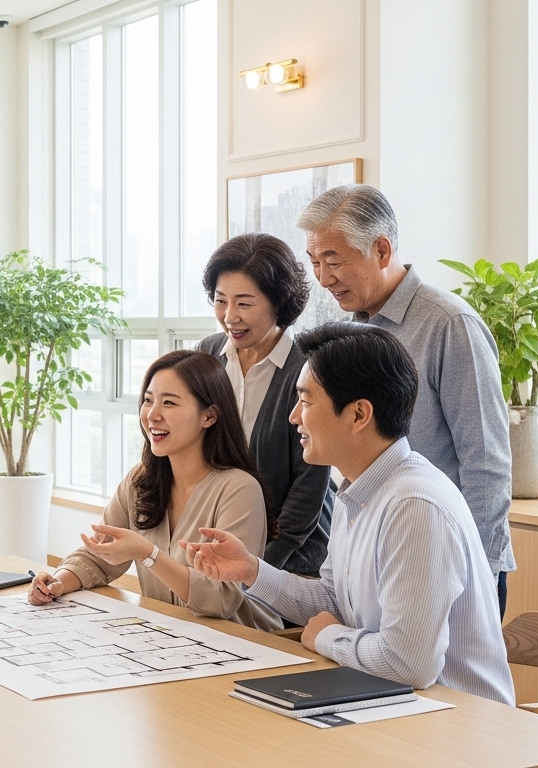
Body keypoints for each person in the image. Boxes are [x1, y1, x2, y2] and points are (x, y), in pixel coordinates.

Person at [183, 323, 515, 704]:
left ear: (358, 415)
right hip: (391, 706)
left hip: (459, 727)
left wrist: (326, 637)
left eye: (306, 402)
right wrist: (251, 571)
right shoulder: (358, 488)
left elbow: (409, 664)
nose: (293, 418)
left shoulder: (414, 507)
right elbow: (335, 603)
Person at [296, 184, 515, 615]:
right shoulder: (349, 332)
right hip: (381, 553)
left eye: (334, 261)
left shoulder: (449, 325)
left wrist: (478, 573)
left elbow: (486, 461)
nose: (323, 278)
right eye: (315, 263)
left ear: (380, 249)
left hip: (450, 566)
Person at [30, 350, 281, 630]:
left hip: (244, 645)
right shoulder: (140, 480)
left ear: (209, 416)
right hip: (171, 636)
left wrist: (147, 553)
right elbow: (98, 557)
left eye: (169, 403)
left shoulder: (239, 489)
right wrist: (57, 581)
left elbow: (219, 599)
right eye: (148, 401)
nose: (152, 414)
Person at [196, 233, 333, 578]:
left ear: (278, 301)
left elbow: (309, 487)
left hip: (293, 561)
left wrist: (257, 570)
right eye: (220, 300)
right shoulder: (208, 355)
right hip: (222, 549)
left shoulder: (309, 365)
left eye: (244, 303)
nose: (230, 317)